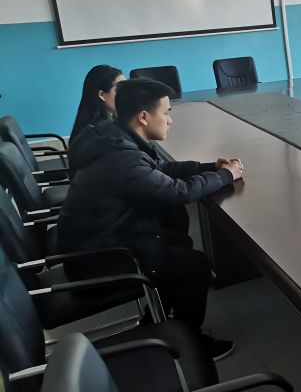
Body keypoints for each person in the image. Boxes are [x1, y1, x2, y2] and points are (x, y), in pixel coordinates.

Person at [58, 78, 244, 358]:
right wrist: (225, 176)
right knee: (195, 265)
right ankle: (190, 345)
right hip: (100, 260)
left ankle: (156, 321)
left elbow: (159, 170)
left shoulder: (116, 138)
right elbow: (178, 192)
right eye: (166, 112)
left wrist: (208, 167)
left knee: (176, 240)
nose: (170, 120)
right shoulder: (122, 157)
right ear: (144, 117)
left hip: (100, 241)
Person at [70, 65, 125, 140]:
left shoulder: (87, 128)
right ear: (101, 95)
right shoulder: (101, 133)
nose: (127, 94)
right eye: (120, 89)